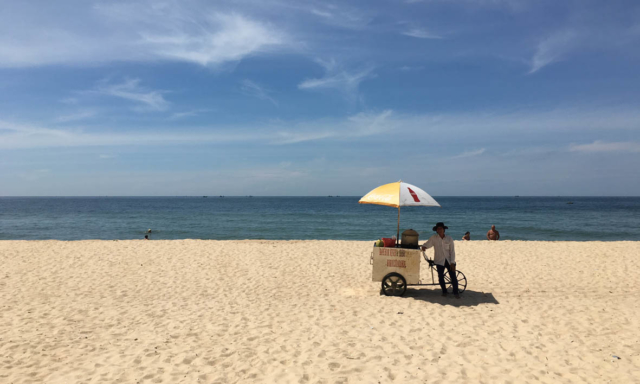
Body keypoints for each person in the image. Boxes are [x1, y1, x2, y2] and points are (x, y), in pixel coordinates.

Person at [421, 222, 460, 298]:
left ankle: (456, 292)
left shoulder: (449, 238)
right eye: (438, 229)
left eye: (441, 228)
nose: (440, 230)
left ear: (443, 230)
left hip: (449, 260)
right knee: (440, 277)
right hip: (439, 260)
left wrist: (452, 262)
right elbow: (428, 244)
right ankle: (444, 291)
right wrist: (424, 246)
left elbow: (452, 251)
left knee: (453, 276)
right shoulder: (434, 238)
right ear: (437, 230)